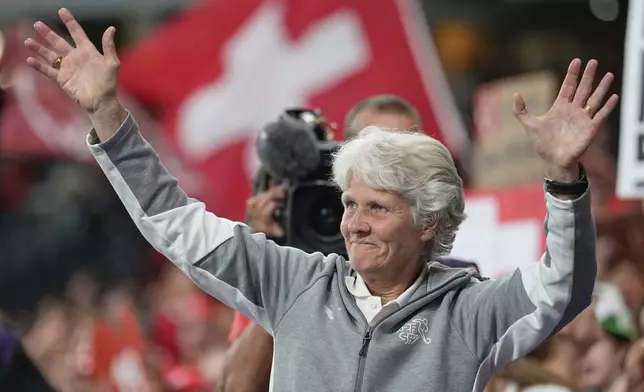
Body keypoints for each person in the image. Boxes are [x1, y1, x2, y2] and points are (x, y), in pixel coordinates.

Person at [26, 9, 618, 391]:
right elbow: (176, 223)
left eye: (376, 208)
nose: (353, 225)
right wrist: (109, 115)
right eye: (349, 205)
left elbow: (564, 287)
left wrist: (563, 177)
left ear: (429, 221)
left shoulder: (470, 310)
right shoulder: (296, 280)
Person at [221, 94, 426, 392]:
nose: (383, 176)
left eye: (398, 160)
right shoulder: (293, 270)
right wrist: (281, 267)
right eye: (369, 155)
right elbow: (236, 386)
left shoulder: (446, 279)